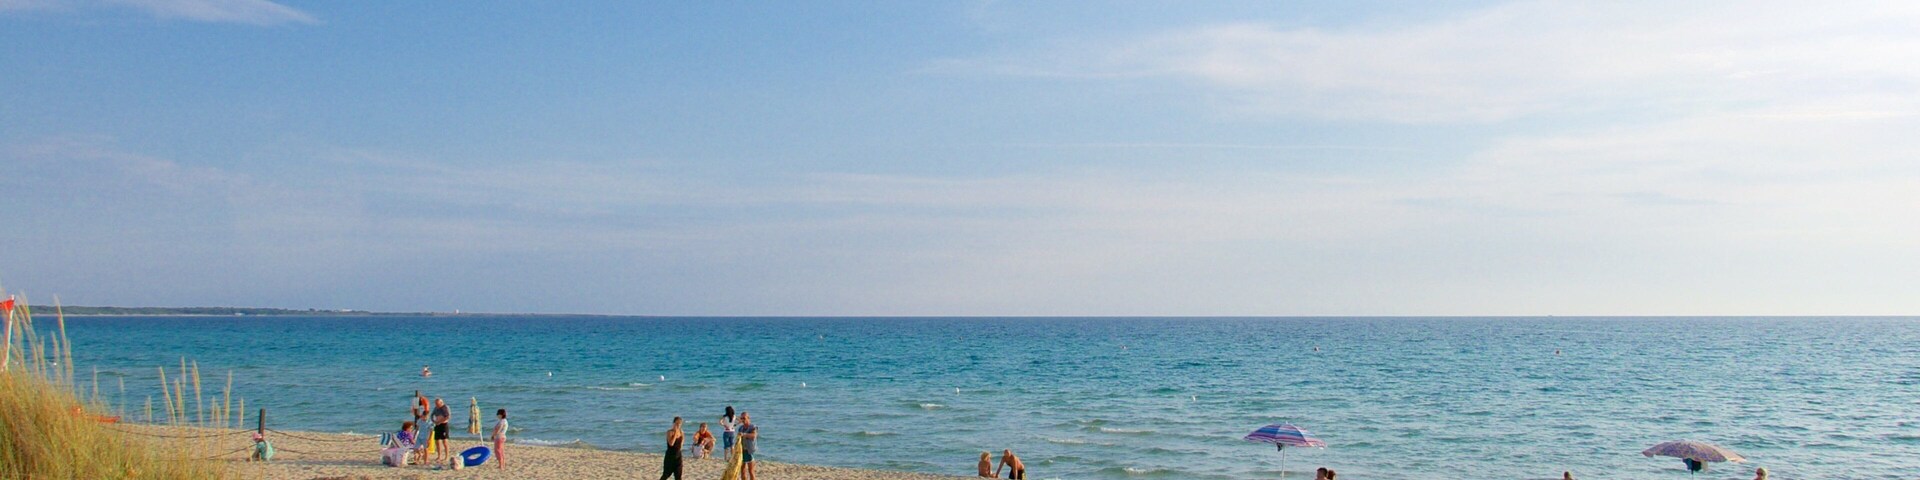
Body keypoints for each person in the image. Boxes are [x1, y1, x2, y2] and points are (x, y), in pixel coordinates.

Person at [738, 411, 759, 480]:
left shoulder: (752, 427)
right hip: (742, 450)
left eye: (744, 418)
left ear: (748, 418)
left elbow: (754, 436)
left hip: (749, 450)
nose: (743, 420)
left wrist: (744, 434)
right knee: (742, 470)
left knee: (751, 471)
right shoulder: (740, 428)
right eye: (741, 418)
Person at [431, 398, 452, 463]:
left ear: (441, 403)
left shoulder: (445, 407)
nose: (436, 405)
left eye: (437, 404)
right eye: (435, 404)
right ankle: (439, 456)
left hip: (444, 425)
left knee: (444, 441)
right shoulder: (436, 408)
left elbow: (448, 416)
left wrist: (440, 421)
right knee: (437, 441)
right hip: (437, 425)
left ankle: (446, 456)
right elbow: (432, 415)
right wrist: (433, 420)